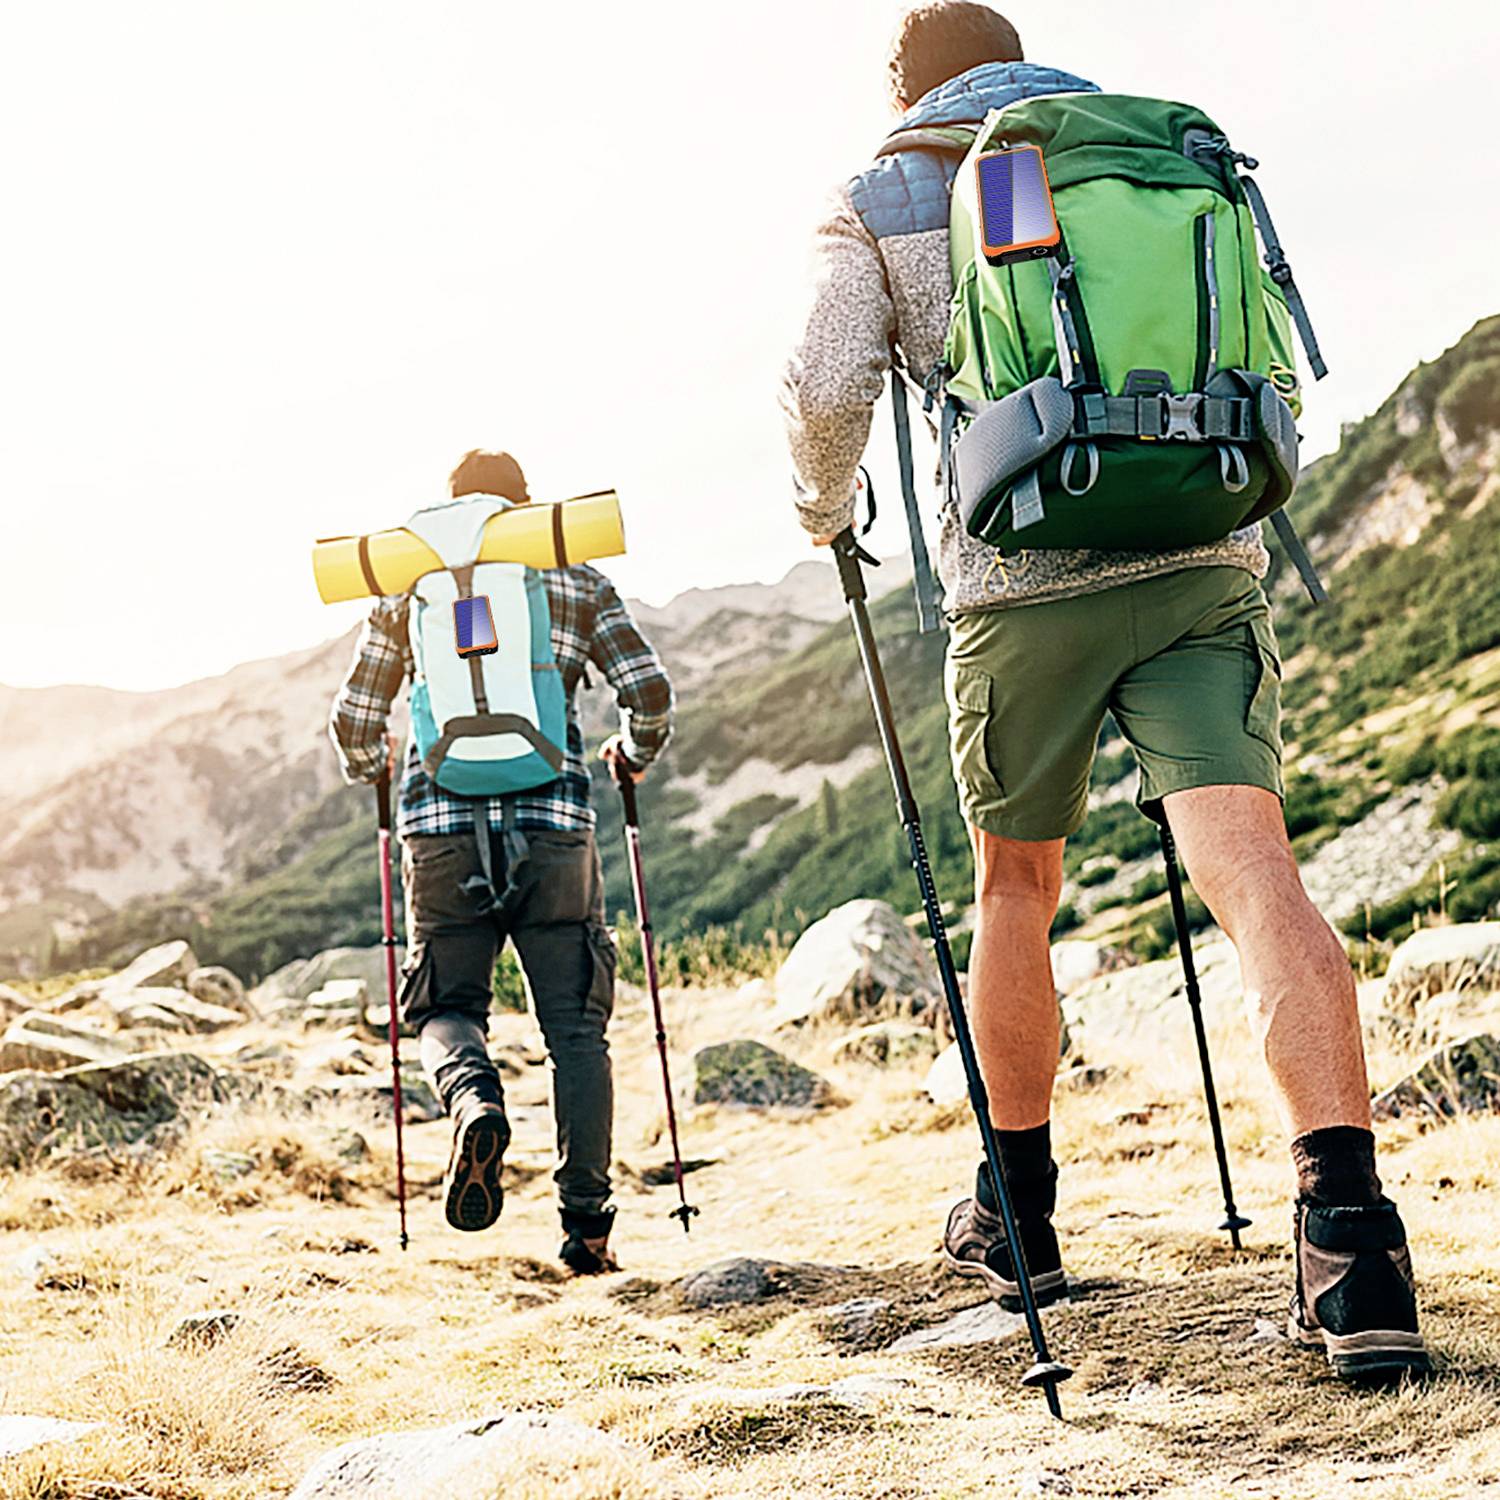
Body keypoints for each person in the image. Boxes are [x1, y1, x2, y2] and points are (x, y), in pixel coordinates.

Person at [780, 2, 1428, 1380]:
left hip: (1023, 585)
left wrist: (821, 510)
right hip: (1203, 545)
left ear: (904, 90)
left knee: (1018, 888)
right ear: (1018, 56)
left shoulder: (890, 185)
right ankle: (1355, 1251)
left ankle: (1017, 1217)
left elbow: (826, 379)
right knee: (1257, 878)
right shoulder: (1153, 147)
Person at [329, 448, 673, 1274]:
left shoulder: (409, 586)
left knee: (445, 1006)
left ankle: (474, 1099)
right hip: (554, 825)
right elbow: (649, 690)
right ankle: (587, 1231)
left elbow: (355, 717)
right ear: (524, 509)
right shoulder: (572, 576)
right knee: (576, 1031)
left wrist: (372, 764)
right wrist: (631, 752)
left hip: (439, 832)